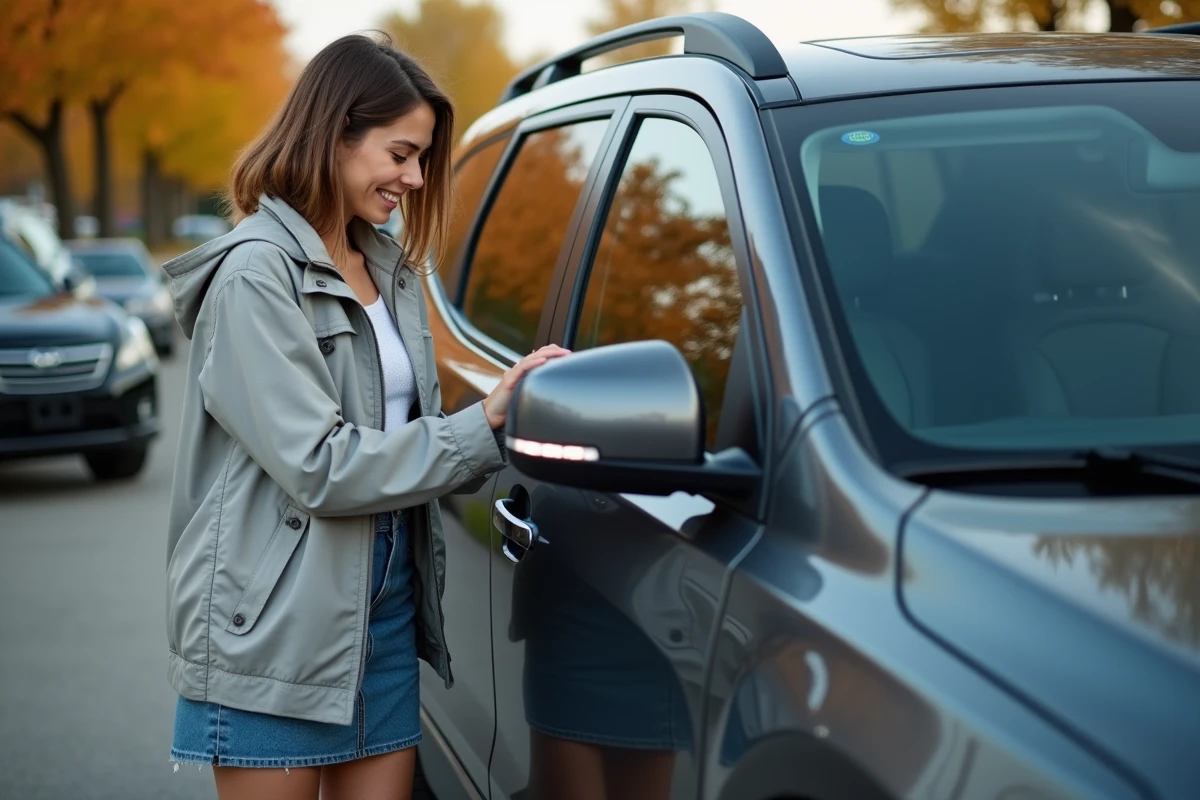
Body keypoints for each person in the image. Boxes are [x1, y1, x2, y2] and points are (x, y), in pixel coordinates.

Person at [161, 33, 568, 800]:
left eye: (421, 160)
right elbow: (320, 465)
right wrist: (482, 427)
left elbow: (405, 420)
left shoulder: (390, 270)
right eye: (401, 153)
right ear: (335, 134)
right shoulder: (255, 277)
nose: (414, 178)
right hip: (275, 630)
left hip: (381, 617)